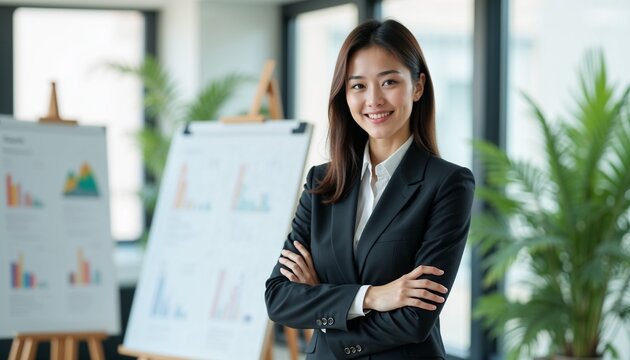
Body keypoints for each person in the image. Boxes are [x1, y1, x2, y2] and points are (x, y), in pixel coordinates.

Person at [265, 19, 475, 359]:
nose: (373, 99)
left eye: (389, 81)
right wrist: (372, 297)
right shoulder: (322, 183)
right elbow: (278, 298)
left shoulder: (447, 184)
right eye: (358, 86)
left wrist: (323, 307)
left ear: (418, 86)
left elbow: (414, 320)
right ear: (344, 95)